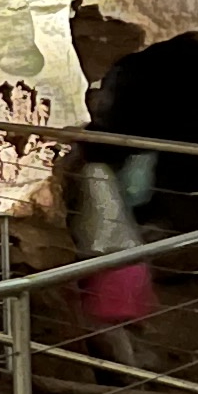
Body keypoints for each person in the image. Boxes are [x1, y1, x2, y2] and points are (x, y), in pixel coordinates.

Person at [61, 133, 156, 362]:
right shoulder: (100, 174)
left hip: (112, 258)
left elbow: (101, 218)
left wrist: (85, 254)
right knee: (116, 325)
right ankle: (135, 365)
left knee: (103, 323)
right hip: (124, 257)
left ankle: (129, 371)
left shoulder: (94, 174)